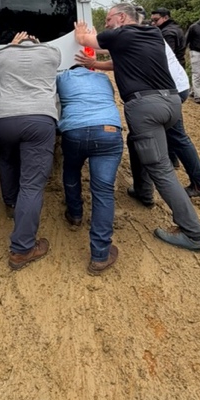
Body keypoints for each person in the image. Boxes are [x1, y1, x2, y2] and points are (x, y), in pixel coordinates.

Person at [75, 3, 200, 252]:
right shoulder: (153, 34)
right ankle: (142, 190)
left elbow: (85, 39)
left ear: (122, 17)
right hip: (171, 102)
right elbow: (121, 62)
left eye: (109, 18)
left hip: (145, 108)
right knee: (136, 143)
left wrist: (81, 30)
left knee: (162, 170)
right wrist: (94, 65)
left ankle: (193, 233)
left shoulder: (120, 34)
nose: (106, 24)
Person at [77, 42, 200, 203]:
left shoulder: (132, 37)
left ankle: (145, 191)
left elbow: (120, 59)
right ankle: (198, 181)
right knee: (176, 137)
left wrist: (93, 61)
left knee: (140, 139)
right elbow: (118, 51)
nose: (107, 26)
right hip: (174, 88)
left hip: (162, 92)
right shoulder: (147, 34)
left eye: (109, 21)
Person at [0, 33, 61, 270]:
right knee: (31, 185)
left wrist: (12, 44)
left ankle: (11, 203)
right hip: (39, 120)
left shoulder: (2, 54)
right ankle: (22, 249)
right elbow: (48, 52)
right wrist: (38, 41)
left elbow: (0, 56)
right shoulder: (51, 53)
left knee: (8, 160)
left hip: (3, 119)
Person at [56, 65, 123, 274]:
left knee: (72, 168)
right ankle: (100, 256)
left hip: (74, 131)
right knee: (103, 191)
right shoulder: (102, 78)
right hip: (108, 130)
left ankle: (75, 214)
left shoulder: (62, 77)